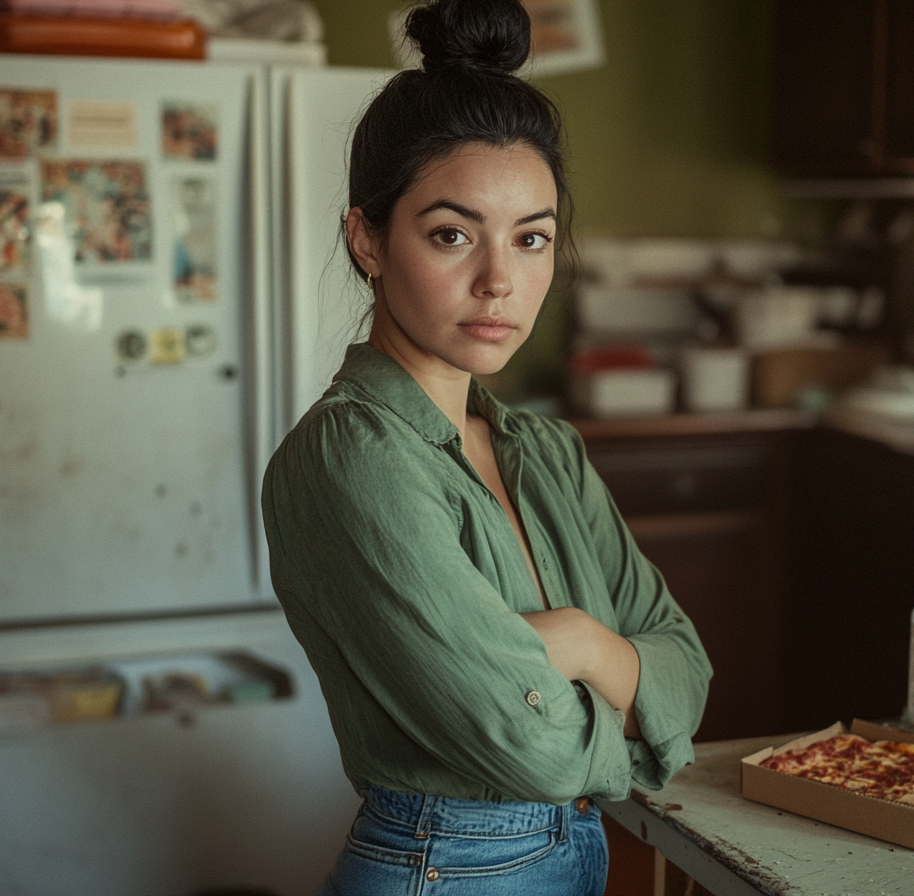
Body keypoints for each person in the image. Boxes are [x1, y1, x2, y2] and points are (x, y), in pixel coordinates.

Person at [260, 1, 712, 892]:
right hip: (446, 866)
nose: (500, 280)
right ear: (368, 240)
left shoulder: (546, 450)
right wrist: (614, 675)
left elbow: (687, 669)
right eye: (452, 234)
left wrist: (571, 644)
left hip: (578, 853)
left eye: (532, 237)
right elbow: (529, 746)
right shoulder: (349, 458)